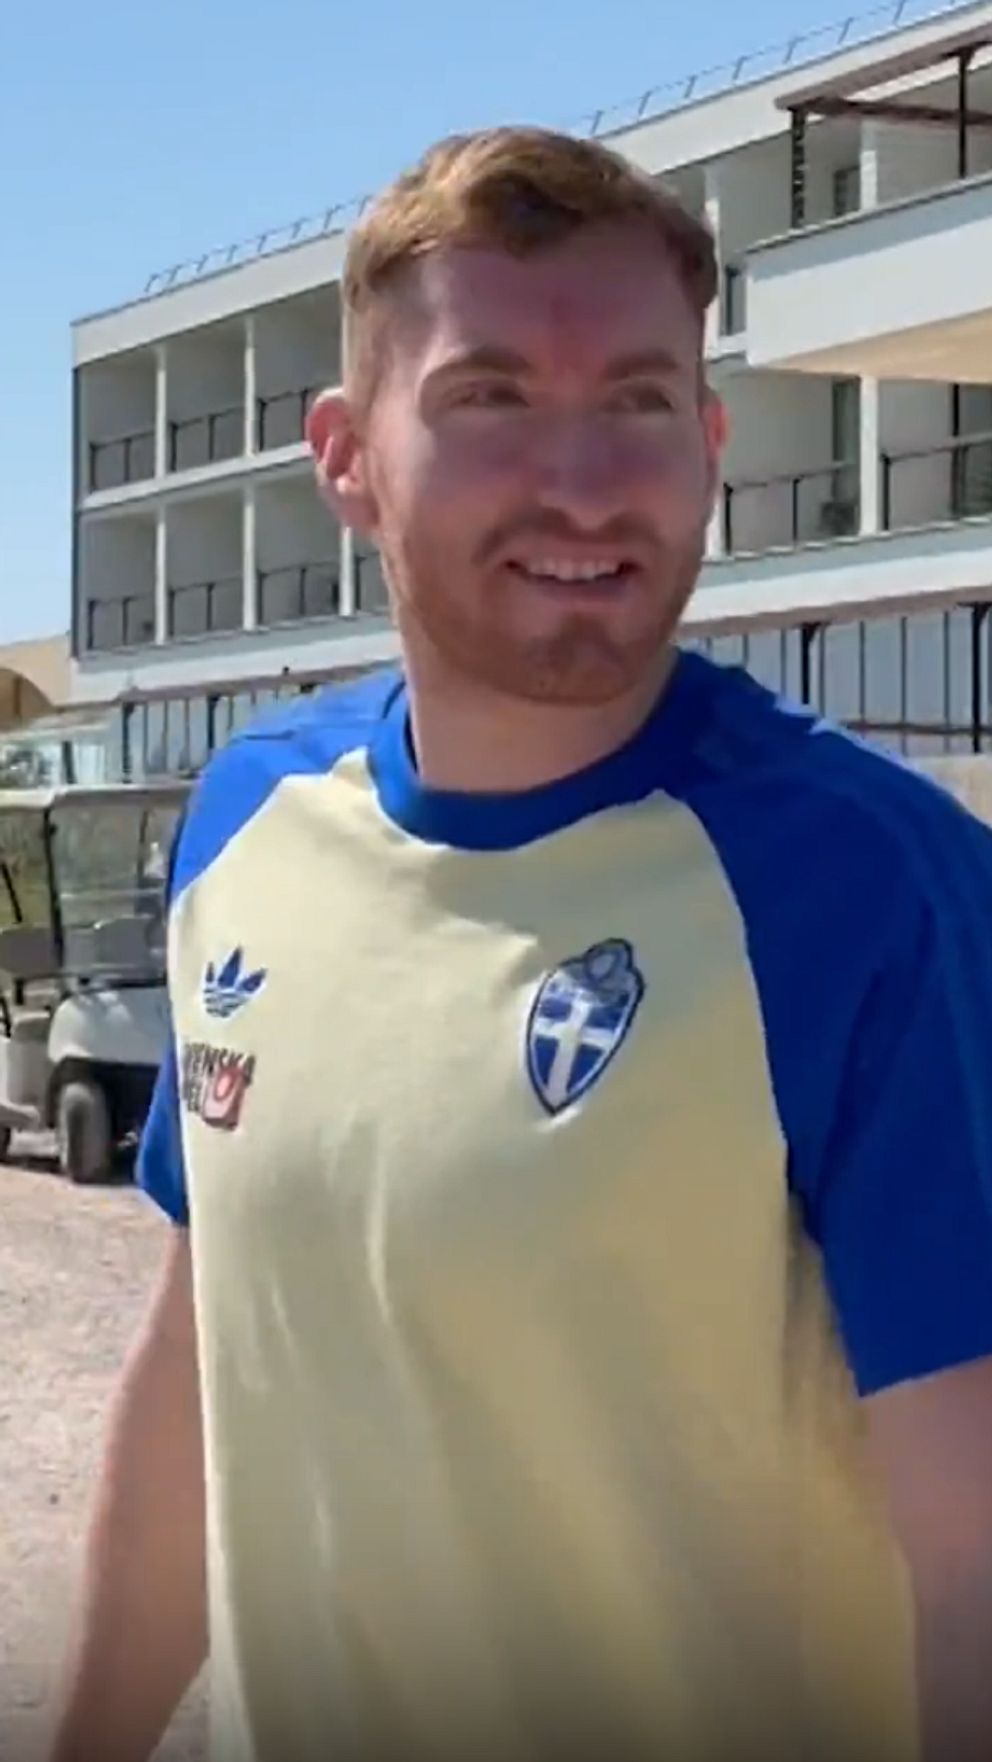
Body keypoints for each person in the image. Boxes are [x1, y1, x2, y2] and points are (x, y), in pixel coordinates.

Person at [49, 126, 992, 1762]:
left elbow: (972, 1567)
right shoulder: (249, 824)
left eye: (638, 401)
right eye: (490, 397)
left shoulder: (875, 887)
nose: (585, 480)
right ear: (346, 457)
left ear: (709, 442)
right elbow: (211, 1365)